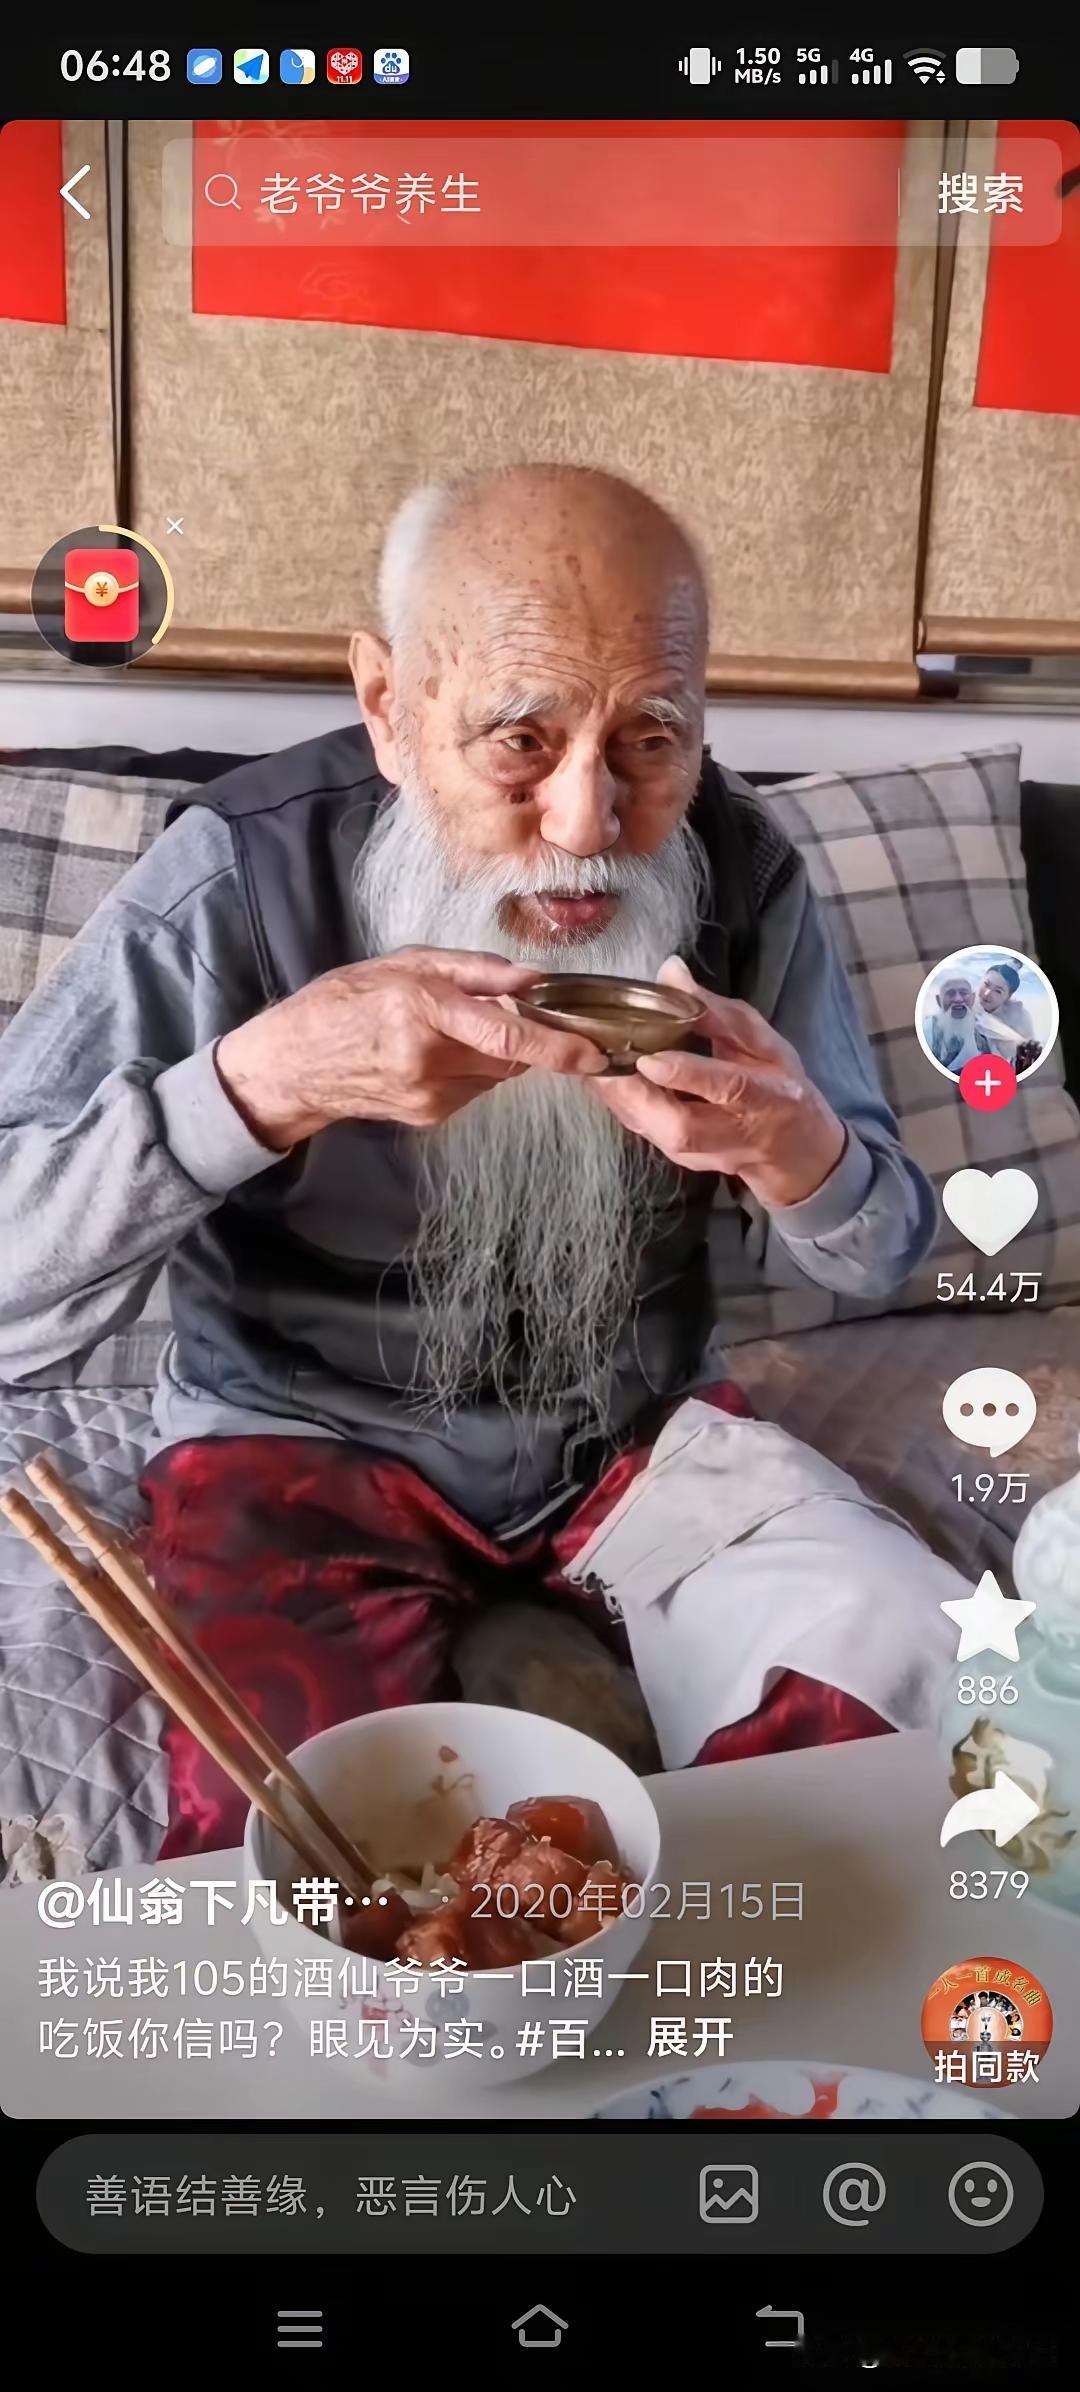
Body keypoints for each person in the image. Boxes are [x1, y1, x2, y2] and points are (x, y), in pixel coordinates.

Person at [0, 464, 957, 1852]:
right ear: (389, 706)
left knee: (925, 1704)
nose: (588, 825)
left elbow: (888, 1247)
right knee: (310, 1837)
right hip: (299, 1440)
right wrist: (260, 1086)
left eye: (650, 739)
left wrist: (800, 1152)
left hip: (636, 1441)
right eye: (521, 737)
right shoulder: (235, 873)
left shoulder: (745, 869)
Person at [975, 959, 1037, 1059]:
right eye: (986, 984)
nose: (987, 993)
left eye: (998, 991)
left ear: (1008, 997)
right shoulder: (964, 999)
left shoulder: (1019, 1017)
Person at [925, 973, 980, 1074]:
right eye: (950, 994)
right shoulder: (926, 1030)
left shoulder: (985, 1031)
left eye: (963, 993)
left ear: (973, 998)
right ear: (938, 1000)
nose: (958, 999)